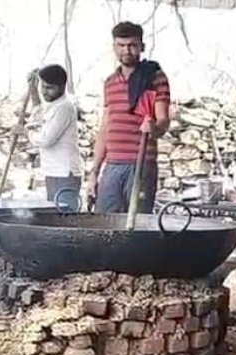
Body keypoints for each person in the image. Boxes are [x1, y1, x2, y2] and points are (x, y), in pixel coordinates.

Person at [87, 21, 170, 213]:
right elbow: (105, 129)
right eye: (121, 45)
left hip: (140, 164)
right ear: (114, 47)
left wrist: (154, 128)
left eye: (132, 45)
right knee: (104, 221)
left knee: (137, 222)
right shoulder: (110, 83)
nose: (127, 50)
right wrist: (94, 172)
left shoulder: (154, 78)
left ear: (142, 46)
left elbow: (163, 121)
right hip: (113, 164)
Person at [24, 64, 82, 211]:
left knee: (65, 218)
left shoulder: (64, 107)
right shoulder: (53, 106)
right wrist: (33, 91)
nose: (44, 91)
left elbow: (46, 140)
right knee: (54, 216)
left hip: (64, 173)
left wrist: (26, 133)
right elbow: (39, 115)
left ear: (62, 87)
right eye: (42, 86)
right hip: (53, 172)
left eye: (49, 88)